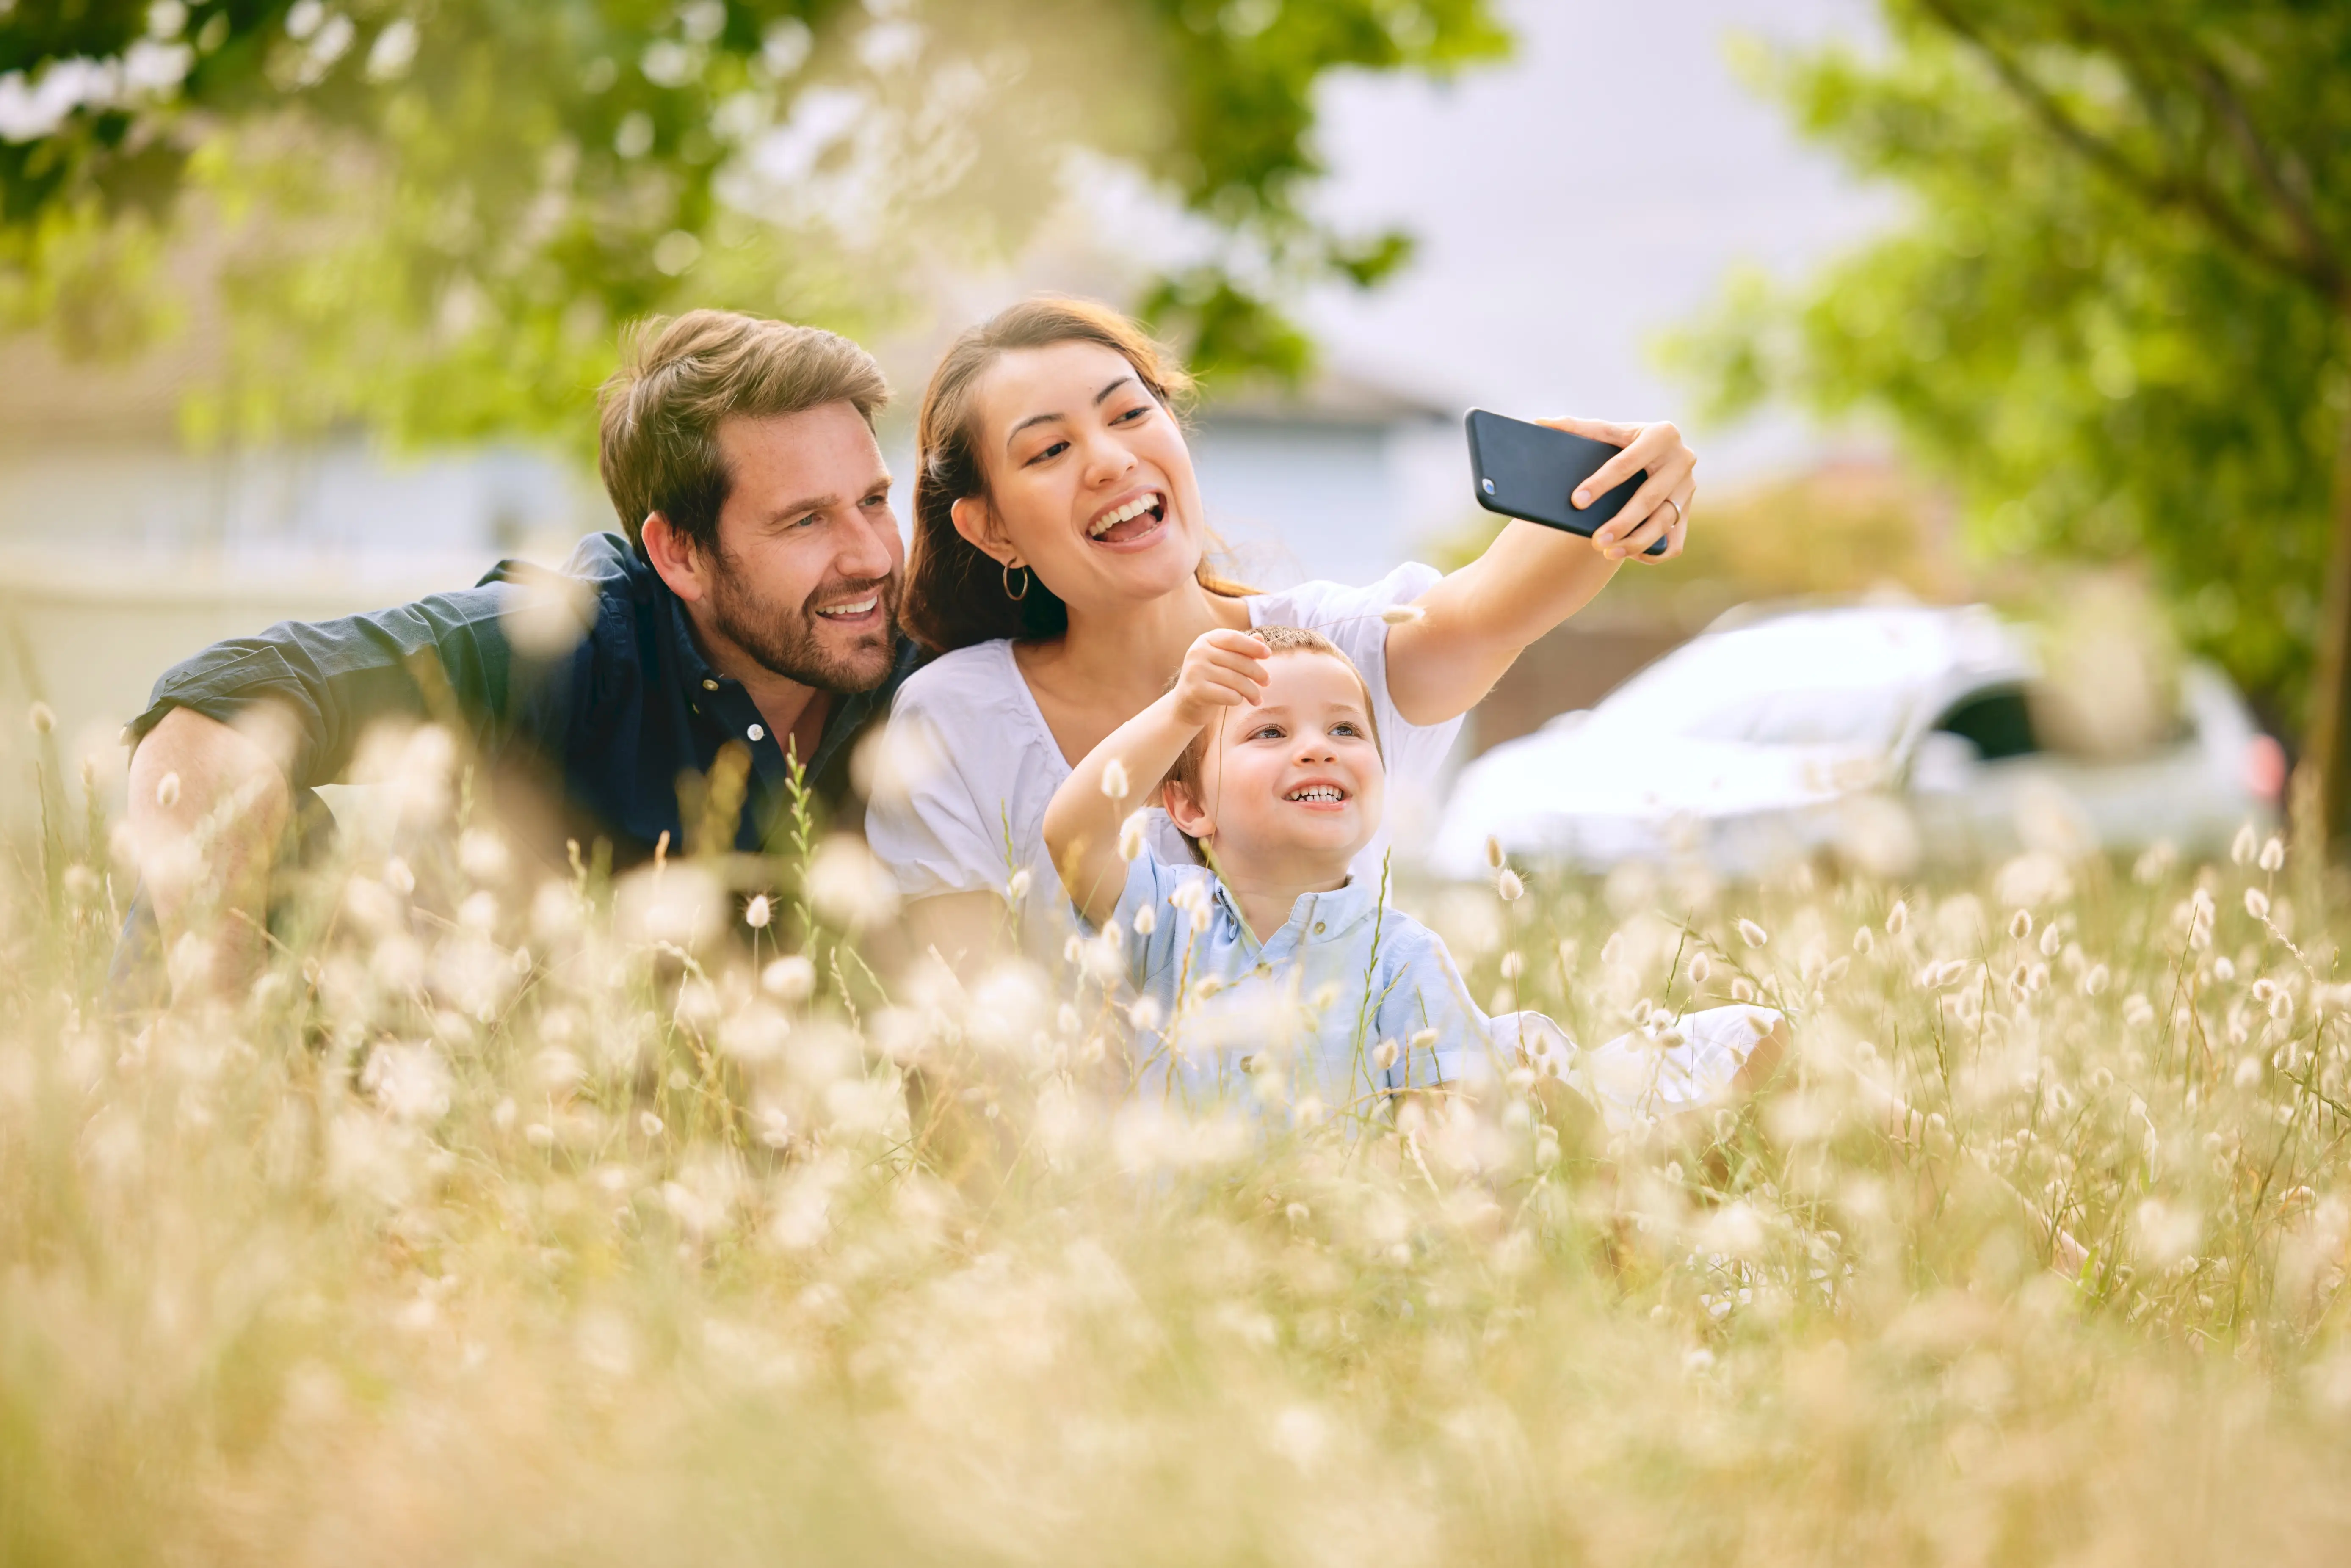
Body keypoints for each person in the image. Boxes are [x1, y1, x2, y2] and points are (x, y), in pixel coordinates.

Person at [868, 296, 1698, 962]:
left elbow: (1488, 612)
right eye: (1049, 451)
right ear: (991, 530)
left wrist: (1627, 482)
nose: (1110, 460)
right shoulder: (956, 719)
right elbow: (967, 1037)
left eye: (1128, 415)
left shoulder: (1330, 647)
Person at [122, 309, 918, 998]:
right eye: (806, 521)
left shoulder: (931, 667)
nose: (873, 556)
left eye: (875, 501)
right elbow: (213, 708)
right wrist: (220, 1040)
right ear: (679, 554)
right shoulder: (563, 641)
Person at [1041, 623, 1784, 1120]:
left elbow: (1444, 1135)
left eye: (1345, 729)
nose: (1317, 748)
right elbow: (1071, 832)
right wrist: (1183, 711)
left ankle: (1605, 1123)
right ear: (1189, 806)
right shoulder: (1170, 918)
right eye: (1269, 731)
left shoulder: (1397, 956)